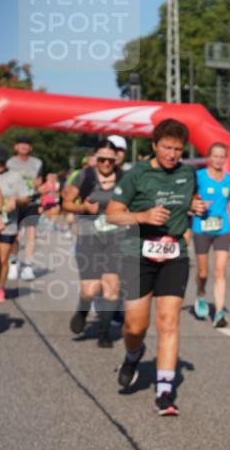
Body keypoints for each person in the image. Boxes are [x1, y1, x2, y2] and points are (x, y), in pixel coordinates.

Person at [106, 119, 206, 416]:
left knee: (169, 320)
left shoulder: (188, 173)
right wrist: (143, 216)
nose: (172, 154)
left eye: (177, 149)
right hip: (138, 253)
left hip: (174, 252)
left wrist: (195, 206)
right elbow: (113, 215)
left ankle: (164, 391)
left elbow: (191, 198)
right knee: (135, 325)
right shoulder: (137, 174)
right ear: (154, 145)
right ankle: (134, 353)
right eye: (166, 148)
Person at [62, 140, 125, 347]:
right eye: (102, 159)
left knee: (112, 287)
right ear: (96, 158)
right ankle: (82, 310)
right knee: (91, 290)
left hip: (116, 237)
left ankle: (104, 332)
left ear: (116, 159)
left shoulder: (125, 178)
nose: (106, 164)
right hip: (89, 236)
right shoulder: (85, 176)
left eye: (110, 160)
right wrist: (84, 209)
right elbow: (67, 203)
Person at [191, 142, 230, 328]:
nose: (218, 160)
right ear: (209, 158)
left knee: (220, 271)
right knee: (203, 272)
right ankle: (201, 294)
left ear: (225, 159)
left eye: (221, 156)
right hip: (201, 227)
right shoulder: (198, 176)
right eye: (215, 156)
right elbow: (190, 197)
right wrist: (196, 204)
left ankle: (219, 312)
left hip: (222, 229)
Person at [0, 148, 27, 303]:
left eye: (1, 162)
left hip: (8, 223)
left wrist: (15, 201)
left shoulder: (15, 176)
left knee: (3, 258)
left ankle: (0, 288)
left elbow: (25, 198)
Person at [7, 136, 43, 281]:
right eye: (21, 144)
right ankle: (13, 263)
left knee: (31, 234)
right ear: (15, 147)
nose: (24, 146)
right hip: (14, 203)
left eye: (27, 144)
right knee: (14, 235)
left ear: (30, 148)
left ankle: (28, 266)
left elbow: (40, 181)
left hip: (32, 202)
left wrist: (40, 190)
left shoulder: (37, 163)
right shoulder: (10, 162)